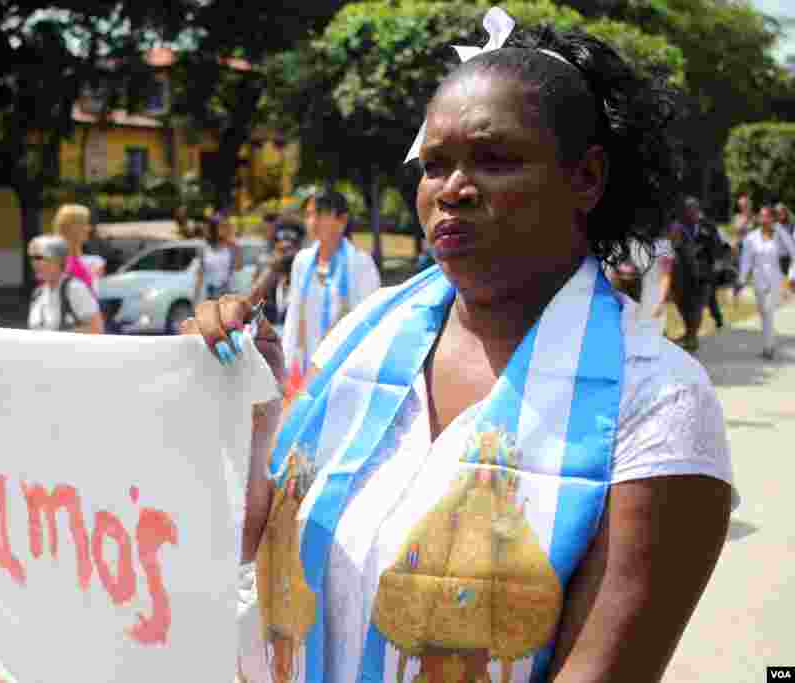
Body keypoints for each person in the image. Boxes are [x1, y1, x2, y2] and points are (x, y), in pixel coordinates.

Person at [184, 9, 735, 683]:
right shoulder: (360, 340)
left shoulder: (659, 402)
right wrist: (252, 402)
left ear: (586, 177)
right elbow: (251, 539)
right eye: (435, 165)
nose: (453, 190)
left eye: (494, 159)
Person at [281, 190, 381, 393]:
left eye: (320, 214)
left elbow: (372, 321)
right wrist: (287, 363)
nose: (313, 221)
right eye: (308, 215)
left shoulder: (360, 263)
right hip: (306, 366)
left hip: (347, 370)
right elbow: (293, 316)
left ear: (342, 219)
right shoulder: (302, 261)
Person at [737, 205, 795, 359]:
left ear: (773, 219)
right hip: (758, 281)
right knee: (764, 313)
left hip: (775, 281)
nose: (764, 220)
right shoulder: (751, 238)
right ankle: (768, 344)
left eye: (767, 217)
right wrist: (741, 280)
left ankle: (769, 348)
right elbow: (746, 260)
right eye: (761, 216)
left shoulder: (780, 236)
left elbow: (793, 251)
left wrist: (791, 276)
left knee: (768, 311)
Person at [668, 197, 726, 351]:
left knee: (698, 307)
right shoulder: (676, 228)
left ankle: (692, 337)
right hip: (682, 276)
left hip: (703, 275)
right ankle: (690, 333)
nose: (691, 213)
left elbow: (718, 246)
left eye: (693, 209)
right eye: (687, 209)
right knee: (684, 307)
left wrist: (717, 265)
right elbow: (671, 249)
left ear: (698, 210)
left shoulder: (708, 227)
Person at [27, 235, 102, 334]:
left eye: (39, 257)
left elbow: (96, 329)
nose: (34, 263)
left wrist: (53, 338)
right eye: (32, 258)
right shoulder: (38, 294)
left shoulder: (74, 289)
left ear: (57, 260)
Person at [250, 216, 306, 333]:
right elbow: (252, 300)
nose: (286, 253)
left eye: (291, 247)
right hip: (270, 334)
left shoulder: (307, 270)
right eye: (281, 248)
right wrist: (273, 267)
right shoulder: (268, 266)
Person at [195, 211, 243, 302]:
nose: (224, 229)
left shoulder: (231, 247)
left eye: (225, 226)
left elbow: (238, 267)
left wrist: (236, 248)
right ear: (214, 228)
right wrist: (196, 297)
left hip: (227, 292)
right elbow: (200, 273)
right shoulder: (205, 248)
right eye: (221, 226)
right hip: (210, 292)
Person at [53, 204, 102, 291]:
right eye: (85, 224)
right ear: (73, 228)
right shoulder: (55, 264)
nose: (89, 228)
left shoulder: (95, 261)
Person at [775, 202, 792, 274]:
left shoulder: (791, 226)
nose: (781, 214)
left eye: (782, 211)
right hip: (778, 258)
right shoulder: (774, 226)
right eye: (779, 212)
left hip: (789, 257)